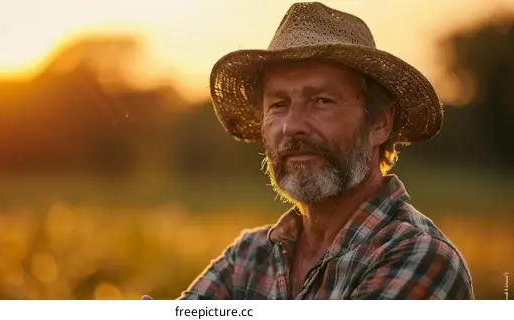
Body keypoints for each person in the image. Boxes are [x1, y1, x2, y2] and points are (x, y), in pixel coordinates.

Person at [144, 1, 474, 300]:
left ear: (379, 124)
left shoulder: (421, 257)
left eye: (322, 101)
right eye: (279, 104)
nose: (292, 126)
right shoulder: (248, 257)